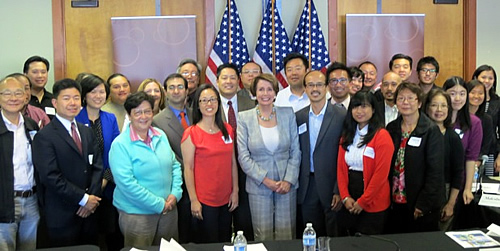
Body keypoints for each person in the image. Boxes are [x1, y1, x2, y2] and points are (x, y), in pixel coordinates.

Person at [33, 78, 103, 247]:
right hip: (62, 214)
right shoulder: (45, 136)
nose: (72, 102)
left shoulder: (86, 131)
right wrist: (83, 199)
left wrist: (90, 201)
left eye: (76, 98)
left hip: (90, 213)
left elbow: (98, 166)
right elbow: (50, 177)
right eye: (66, 98)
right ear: (55, 102)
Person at [109, 92, 182, 247]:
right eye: (138, 112)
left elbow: (174, 165)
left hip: (169, 210)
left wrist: (175, 194)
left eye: (148, 111)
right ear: (129, 115)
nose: (144, 116)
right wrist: (158, 204)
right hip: (137, 215)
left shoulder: (160, 135)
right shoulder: (120, 144)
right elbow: (127, 184)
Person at [237, 74, 300, 240]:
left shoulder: (287, 114)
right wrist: (266, 180)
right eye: (261, 89)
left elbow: (296, 151)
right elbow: (243, 157)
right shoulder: (244, 117)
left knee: (286, 235)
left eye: (269, 89)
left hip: (286, 186)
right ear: (254, 93)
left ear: (275, 92)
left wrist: (288, 180)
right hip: (259, 186)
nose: (265, 93)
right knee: (262, 235)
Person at [181, 84, 239, 243]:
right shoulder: (191, 133)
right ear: (198, 105)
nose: (209, 104)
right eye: (204, 100)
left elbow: (233, 162)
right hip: (204, 201)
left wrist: (235, 191)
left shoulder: (227, 129)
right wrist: (193, 199)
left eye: (213, 99)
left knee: (225, 240)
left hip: (226, 198)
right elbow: (188, 168)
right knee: (208, 243)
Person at [386, 82, 445, 233]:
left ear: (419, 103)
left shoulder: (430, 131)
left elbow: (435, 172)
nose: (405, 102)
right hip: (394, 201)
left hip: (420, 203)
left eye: (410, 98)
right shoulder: (391, 128)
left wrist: (423, 204)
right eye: (401, 98)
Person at [75, 74, 122, 250]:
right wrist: (92, 188)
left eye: (102, 92)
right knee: (87, 238)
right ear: (84, 95)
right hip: (82, 189)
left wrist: (103, 180)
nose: (98, 96)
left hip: (107, 185)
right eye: (93, 92)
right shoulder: (76, 118)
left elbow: (115, 153)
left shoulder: (110, 118)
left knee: (112, 234)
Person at [296, 71, 345, 237]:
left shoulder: (341, 116)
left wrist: (339, 189)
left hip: (332, 185)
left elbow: (345, 154)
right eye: (310, 85)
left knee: (334, 234)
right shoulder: (298, 117)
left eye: (319, 85)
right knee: (310, 233)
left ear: (326, 88)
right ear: (305, 88)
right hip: (307, 184)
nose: (314, 89)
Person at [337, 91, 394, 235]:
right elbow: (341, 169)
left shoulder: (382, 136)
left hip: (373, 201)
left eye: (364, 106)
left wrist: (363, 201)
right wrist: (345, 197)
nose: (359, 111)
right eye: (355, 107)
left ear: (373, 109)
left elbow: (381, 175)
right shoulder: (347, 135)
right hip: (350, 198)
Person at [215, 63, 255, 240]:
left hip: (248, 170)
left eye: (232, 77)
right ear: (217, 81)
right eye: (224, 77)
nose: (229, 81)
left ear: (238, 81)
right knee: (221, 224)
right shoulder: (209, 104)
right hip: (220, 171)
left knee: (245, 222)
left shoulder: (251, 102)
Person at [0, 77, 40, 250]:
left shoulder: (31, 126)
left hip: (31, 199)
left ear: (26, 97)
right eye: (7, 94)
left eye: (18, 93)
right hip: (4, 201)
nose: (13, 98)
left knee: (29, 247)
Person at [152, 73, 193, 243]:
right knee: (183, 232)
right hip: (178, 184)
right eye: (171, 87)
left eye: (180, 87)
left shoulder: (197, 113)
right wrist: (190, 168)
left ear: (187, 90)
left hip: (205, 182)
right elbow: (166, 154)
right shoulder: (157, 121)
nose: (176, 91)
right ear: (165, 92)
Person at [424, 89, 464, 231]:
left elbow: (458, 173)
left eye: (443, 106)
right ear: (427, 107)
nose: (439, 110)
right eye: (434, 105)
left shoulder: (452, 137)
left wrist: (450, 204)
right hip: (422, 192)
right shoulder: (420, 134)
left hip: (445, 192)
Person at [443, 77, 482, 207]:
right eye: (452, 94)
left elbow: (471, 158)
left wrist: (467, 188)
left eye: (462, 93)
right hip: (437, 182)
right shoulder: (436, 119)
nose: (458, 99)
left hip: (459, 182)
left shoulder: (474, 123)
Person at [472, 65, 500, 174]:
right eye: (483, 77)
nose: (487, 81)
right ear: (475, 78)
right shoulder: (469, 100)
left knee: (487, 183)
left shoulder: (497, 102)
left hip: (491, 152)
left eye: (490, 78)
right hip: (471, 150)